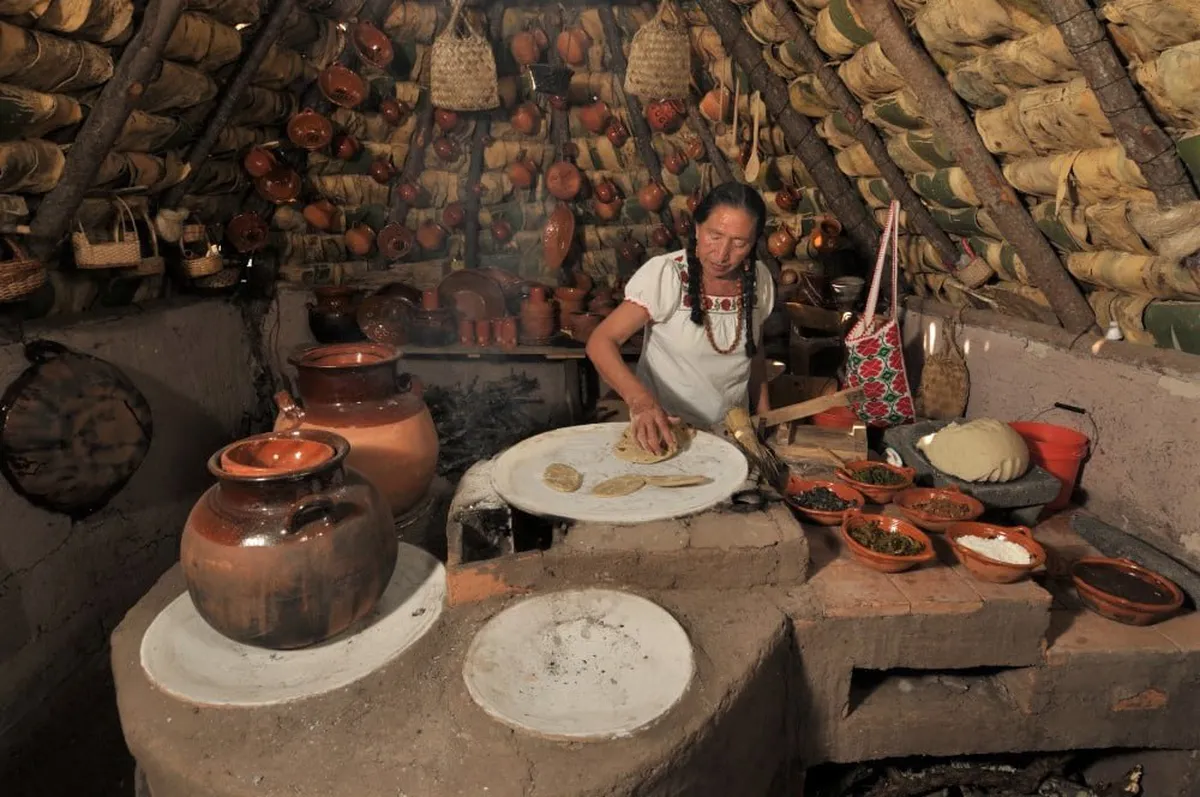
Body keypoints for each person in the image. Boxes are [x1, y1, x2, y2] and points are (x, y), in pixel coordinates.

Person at [585, 181, 776, 454]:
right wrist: (642, 403)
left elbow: (754, 350)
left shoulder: (760, 280)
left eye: (739, 243)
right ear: (697, 228)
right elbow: (601, 341)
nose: (722, 255)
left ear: (754, 241)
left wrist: (764, 414)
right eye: (714, 235)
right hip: (667, 435)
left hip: (735, 436)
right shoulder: (667, 276)